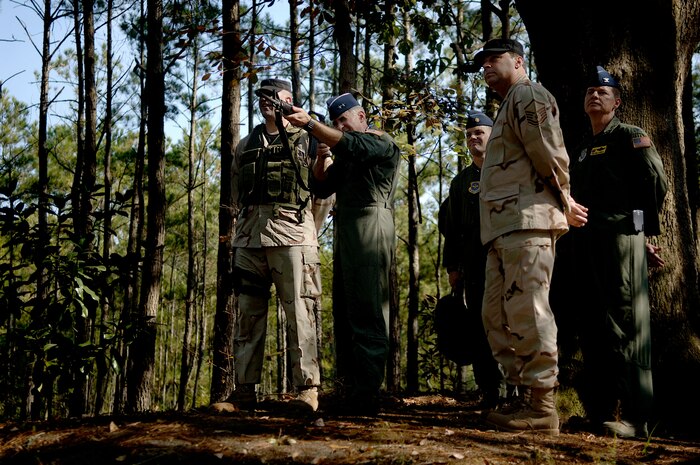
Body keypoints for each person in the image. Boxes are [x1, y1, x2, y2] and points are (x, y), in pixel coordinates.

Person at [473, 39, 577, 436]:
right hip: (503, 227)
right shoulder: (506, 106)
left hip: (528, 221)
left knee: (530, 311)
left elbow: (548, 150)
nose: (485, 67)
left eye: (493, 59)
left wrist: (564, 198)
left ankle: (542, 406)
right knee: (495, 315)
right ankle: (522, 395)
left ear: (518, 61)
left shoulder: (527, 95)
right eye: (481, 63)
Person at [565, 66, 667, 438]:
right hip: (585, 244)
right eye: (590, 91)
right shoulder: (579, 149)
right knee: (593, 325)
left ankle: (636, 417)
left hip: (621, 241)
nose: (595, 95)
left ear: (617, 101)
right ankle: (603, 410)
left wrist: (638, 235)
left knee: (626, 324)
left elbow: (653, 185)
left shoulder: (629, 136)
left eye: (603, 92)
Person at [286, 93, 401, 415]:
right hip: (348, 226)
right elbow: (322, 187)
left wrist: (311, 124)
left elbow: (354, 147)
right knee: (347, 307)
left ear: (362, 116)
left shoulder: (379, 142)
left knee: (367, 306)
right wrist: (322, 156)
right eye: (335, 123)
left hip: (371, 223)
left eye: (343, 120)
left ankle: (367, 392)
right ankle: (349, 386)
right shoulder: (345, 150)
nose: (340, 126)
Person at [227, 78, 322, 412]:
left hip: (292, 236)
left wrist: (310, 232)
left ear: (288, 100)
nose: (266, 101)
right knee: (248, 316)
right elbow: (237, 190)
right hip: (249, 239)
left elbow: (323, 192)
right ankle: (244, 391)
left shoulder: (308, 139)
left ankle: (306, 390)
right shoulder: (245, 144)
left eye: (273, 96)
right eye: (261, 96)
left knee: (299, 312)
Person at [438, 110, 506, 408]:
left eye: (479, 133)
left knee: (510, 322)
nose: (473, 138)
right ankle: (490, 390)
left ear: (493, 136)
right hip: (473, 263)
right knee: (480, 325)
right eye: (468, 135)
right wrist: (452, 267)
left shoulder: (507, 170)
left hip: (507, 259)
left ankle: (518, 390)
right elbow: (450, 229)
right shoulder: (461, 181)